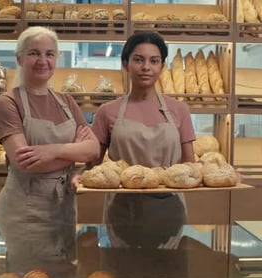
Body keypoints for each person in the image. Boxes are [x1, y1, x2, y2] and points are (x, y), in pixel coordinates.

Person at [0, 26, 100, 275]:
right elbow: (25, 162)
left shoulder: (67, 101)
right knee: (31, 275)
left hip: (64, 208)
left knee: (64, 274)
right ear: (19, 58)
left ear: (57, 59)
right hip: (26, 212)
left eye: (50, 54)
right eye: (34, 53)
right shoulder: (8, 102)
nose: (43, 61)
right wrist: (74, 152)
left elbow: (93, 149)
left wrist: (52, 151)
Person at [84, 32, 196, 249]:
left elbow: (190, 163)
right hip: (123, 211)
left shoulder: (179, 110)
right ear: (125, 64)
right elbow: (93, 165)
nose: (146, 67)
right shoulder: (108, 111)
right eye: (138, 60)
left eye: (154, 61)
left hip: (169, 209)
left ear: (162, 66)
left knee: (167, 271)